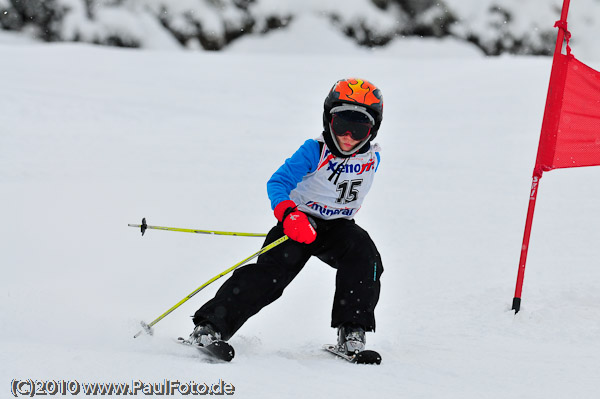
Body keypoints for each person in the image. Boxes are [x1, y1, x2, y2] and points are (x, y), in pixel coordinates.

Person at [190, 78, 384, 356]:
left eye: (359, 128)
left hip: (340, 229)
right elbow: (278, 183)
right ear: (328, 119)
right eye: (341, 124)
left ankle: (352, 329)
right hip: (300, 224)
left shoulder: (372, 157)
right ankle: (210, 326)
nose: (348, 136)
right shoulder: (315, 150)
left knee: (365, 256)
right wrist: (289, 215)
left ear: (373, 129)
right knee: (267, 277)